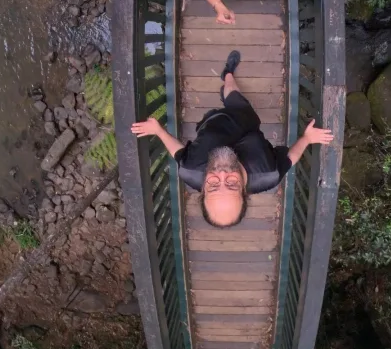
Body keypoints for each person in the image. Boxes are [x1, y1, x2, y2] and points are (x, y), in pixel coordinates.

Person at [129, 51, 333, 228]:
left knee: (226, 99)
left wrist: (159, 131)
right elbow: (290, 157)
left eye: (213, 185)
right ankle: (228, 76)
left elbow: (177, 151)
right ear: (245, 191)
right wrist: (306, 138)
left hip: (213, 122)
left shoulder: (190, 170)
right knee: (233, 94)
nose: (222, 174)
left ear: (202, 190)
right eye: (233, 184)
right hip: (244, 118)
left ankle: (226, 78)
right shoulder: (268, 173)